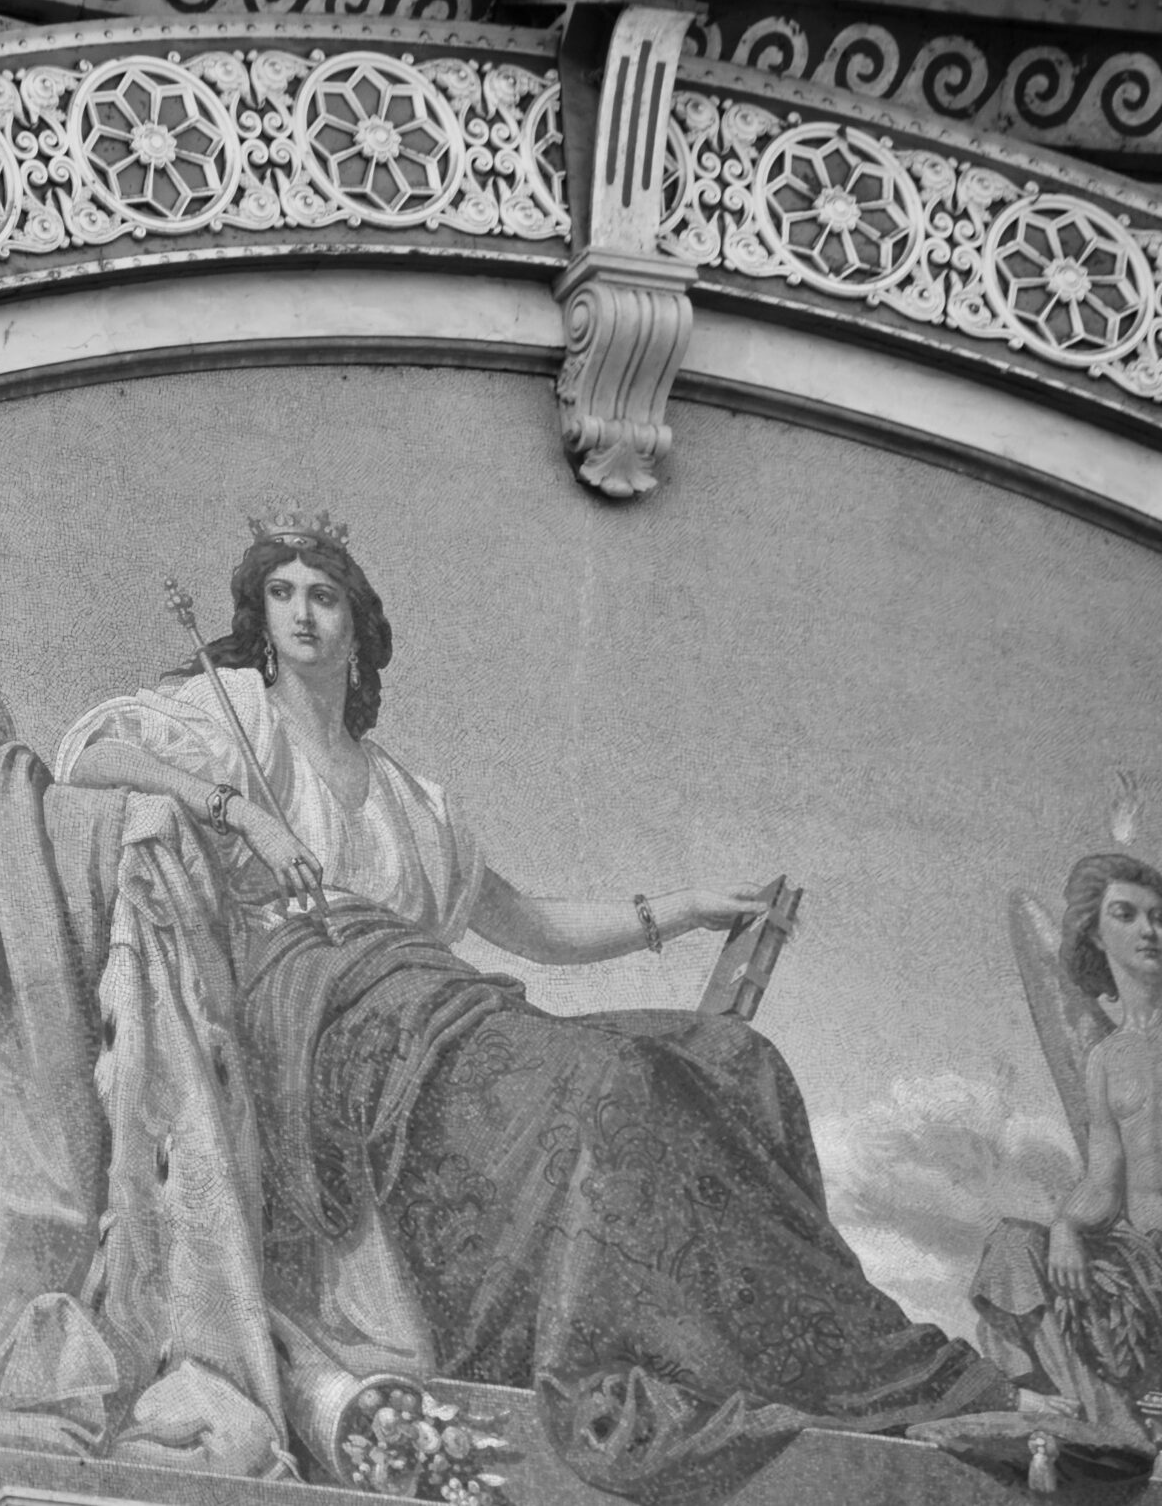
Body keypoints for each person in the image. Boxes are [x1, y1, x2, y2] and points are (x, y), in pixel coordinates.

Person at [56, 511, 1011, 1499]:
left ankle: (799, 1357)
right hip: (330, 1034)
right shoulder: (231, 722)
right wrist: (238, 810)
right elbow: (85, 752)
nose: (301, 614)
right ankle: (644, 1351)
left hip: (443, 1019)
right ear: (258, 617)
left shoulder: (411, 798)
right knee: (611, 1083)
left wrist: (682, 909)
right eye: (281, 594)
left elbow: (532, 927)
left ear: (358, 625)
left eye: (323, 595)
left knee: (730, 1061)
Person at [973, 852, 1162, 1435]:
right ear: (1095, 935)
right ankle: (1084, 1420)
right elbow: (1105, 1181)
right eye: (1127, 915)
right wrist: (1065, 1228)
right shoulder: (1107, 1058)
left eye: (1159, 916)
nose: (1150, 930)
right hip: (1142, 1259)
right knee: (1012, 1247)